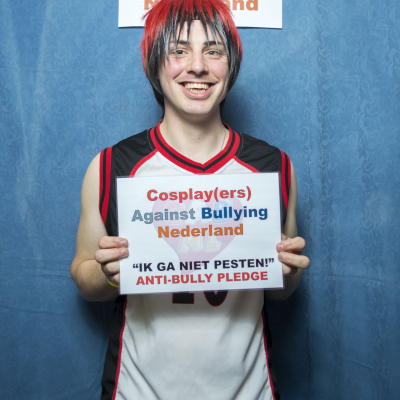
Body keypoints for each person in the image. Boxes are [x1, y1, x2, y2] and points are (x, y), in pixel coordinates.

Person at [70, 0, 310, 398]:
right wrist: (108, 272)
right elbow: (83, 277)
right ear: (154, 64)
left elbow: (281, 289)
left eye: (213, 51)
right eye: (178, 50)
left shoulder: (273, 168)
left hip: (249, 390)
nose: (197, 66)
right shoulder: (111, 166)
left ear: (231, 66)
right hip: (138, 390)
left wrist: (289, 271)